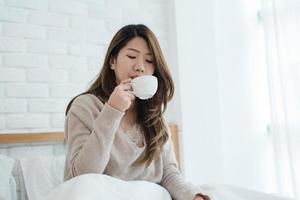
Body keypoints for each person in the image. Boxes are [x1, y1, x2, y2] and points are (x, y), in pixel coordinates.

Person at [63, 24, 210, 200]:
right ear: (112, 61)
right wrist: (112, 111)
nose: (140, 66)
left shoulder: (155, 116)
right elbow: (83, 178)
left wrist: (193, 196)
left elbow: (169, 173)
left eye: (149, 61)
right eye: (131, 56)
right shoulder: (84, 106)